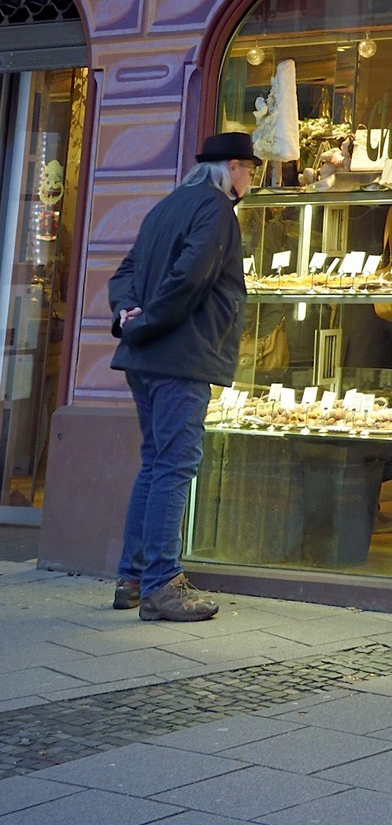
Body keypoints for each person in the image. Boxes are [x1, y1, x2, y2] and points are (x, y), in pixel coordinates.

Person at [108, 131, 256, 621]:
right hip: (180, 356)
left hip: (146, 358)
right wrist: (147, 321)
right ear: (231, 168)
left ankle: (132, 577)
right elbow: (192, 276)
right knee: (173, 468)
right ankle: (162, 586)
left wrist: (129, 315)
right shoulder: (216, 210)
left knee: (154, 463)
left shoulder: (166, 205)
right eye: (250, 168)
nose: (252, 178)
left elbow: (123, 273)